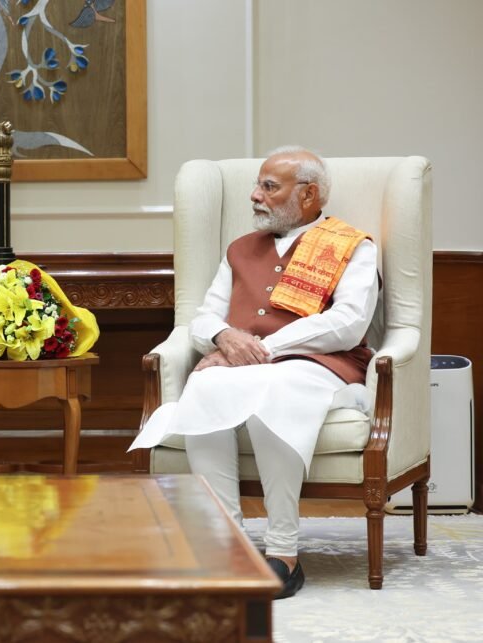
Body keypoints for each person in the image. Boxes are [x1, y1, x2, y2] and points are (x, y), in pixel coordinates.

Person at [130, 146, 379, 599]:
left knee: (274, 390)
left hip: (319, 365)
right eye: (257, 185)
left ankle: (283, 552)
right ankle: (226, 544)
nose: (255, 196)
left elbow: (348, 323)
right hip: (240, 363)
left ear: (308, 195)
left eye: (269, 186)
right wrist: (225, 337)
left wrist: (260, 348)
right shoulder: (240, 250)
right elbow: (204, 317)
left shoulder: (352, 247)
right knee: (205, 385)